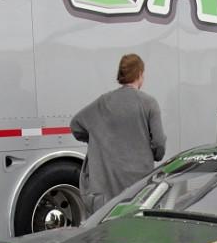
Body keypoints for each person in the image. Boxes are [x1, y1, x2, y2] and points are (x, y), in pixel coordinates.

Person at [71, 53, 166, 214]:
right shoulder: (149, 103)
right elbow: (159, 145)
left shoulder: (103, 102)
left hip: (107, 192)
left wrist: (97, 138)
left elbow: (76, 125)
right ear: (140, 74)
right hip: (139, 190)